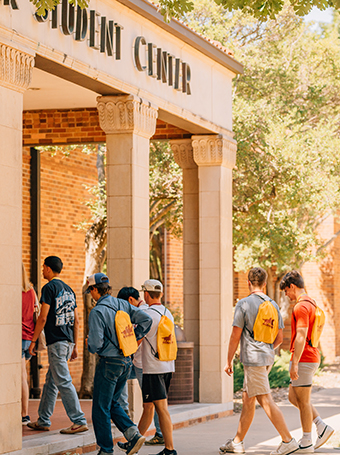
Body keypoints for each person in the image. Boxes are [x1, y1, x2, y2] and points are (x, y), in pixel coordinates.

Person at [221, 267, 298, 455]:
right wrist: (266, 350)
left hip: (253, 360)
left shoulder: (244, 304)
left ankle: (288, 440)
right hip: (266, 358)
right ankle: (237, 442)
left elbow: (235, 335)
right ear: (264, 284)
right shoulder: (273, 304)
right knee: (248, 399)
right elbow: (279, 338)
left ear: (248, 283)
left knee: (265, 398)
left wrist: (228, 360)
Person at [86, 273, 152, 455]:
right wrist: (133, 339)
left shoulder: (97, 312)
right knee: (113, 402)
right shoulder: (123, 304)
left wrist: (89, 343)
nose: (90, 295)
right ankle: (133, 435)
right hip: (126, 361)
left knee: (100, 408)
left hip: (108, 363)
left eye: (90, 291)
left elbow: (95, 345)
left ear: (94, 289)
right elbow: (147, 320)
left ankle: (106, 450)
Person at [27, 256, 88, 434]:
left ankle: (79, 420)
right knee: (51, 382)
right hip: (68, 342)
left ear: (47, 268)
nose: (42, 270)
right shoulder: (69, 290)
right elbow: (76, 321)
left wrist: (33, 341)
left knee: (63, 381)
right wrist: (75, 345)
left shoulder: (49, 288)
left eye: (43, 267)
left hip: (57, 343)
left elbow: (43, 317)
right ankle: (43, 420)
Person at [118, 279, 177, 455]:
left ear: (146, 294)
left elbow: (136, 341)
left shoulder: (147, 315)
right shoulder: (168, 313)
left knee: (161, 408)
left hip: (152, 369)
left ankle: (170, 449)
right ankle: (134, 442)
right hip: (167, 365)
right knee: (148, 407)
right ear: (161, 294)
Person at [280, 271, 334, 452]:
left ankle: (306, 442)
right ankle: (321, 426)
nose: (286, 295)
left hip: (304, 358)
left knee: (303, 402)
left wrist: (294, 362)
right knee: (293, 397)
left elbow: (301, 336)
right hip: (310, 356)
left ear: (292, 286)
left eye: (286, 291)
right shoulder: (311, 302)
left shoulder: (301, 307)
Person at [117, 286, 164, 446]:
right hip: (142, 362)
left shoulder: (141, 313)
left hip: (143, 363)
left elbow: (138, 338)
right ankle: (134, 431)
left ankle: (156, 434)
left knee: (153, 403)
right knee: (152, 402)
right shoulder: (151, 310)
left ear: (130, 300)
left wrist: (127, 349)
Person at [21, 263, 36, 425]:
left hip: (17, 337)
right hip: (28, 338)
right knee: (22, 374)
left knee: (21, 376)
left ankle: (24, 414)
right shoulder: (31, 290)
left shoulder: (12, 290)